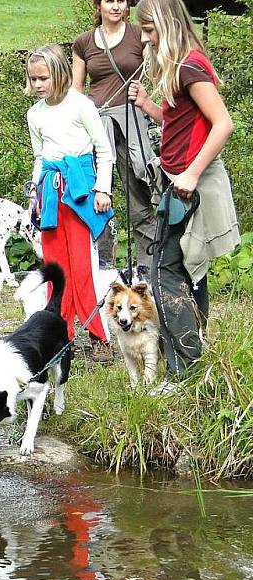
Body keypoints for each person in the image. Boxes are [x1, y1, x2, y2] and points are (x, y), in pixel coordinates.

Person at [129, 0, 240, 394]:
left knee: (163, 273)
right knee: (189, 271)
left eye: (148, 30)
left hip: (191, 186)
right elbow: (182, 123)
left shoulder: (191, 66)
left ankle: (186, 371)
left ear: (165, 23)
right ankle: (195, 365)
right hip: (177, 182)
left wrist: (191, 173)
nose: (145, 38)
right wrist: (148, 107)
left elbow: (222, 123)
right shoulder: (181, 68)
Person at [25, 44, 115, 353]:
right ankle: (59, 336)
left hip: (78, 191)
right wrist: (34, 194)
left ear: (60, 73)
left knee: (83, 266)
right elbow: (39, 157)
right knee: (55, 266)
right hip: (50, 194)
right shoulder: (34, 114)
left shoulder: (81, 106)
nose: (38, 85)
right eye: (33, 79)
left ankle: (97, 334)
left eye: (43, 78)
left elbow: (104, 150)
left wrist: (103, 188)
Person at [72, 0, 157, 277]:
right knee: (99, 193)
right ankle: (102, 264)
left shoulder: (139, 35)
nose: (116, 6)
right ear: (98, 4)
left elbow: (156, 75)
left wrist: (148, 100)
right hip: (97, 124)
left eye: (121, 0)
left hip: (132, 122)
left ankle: (148, 264)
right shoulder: (84, 42)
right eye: (109, 0)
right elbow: (76, 92)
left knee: (139, 193)